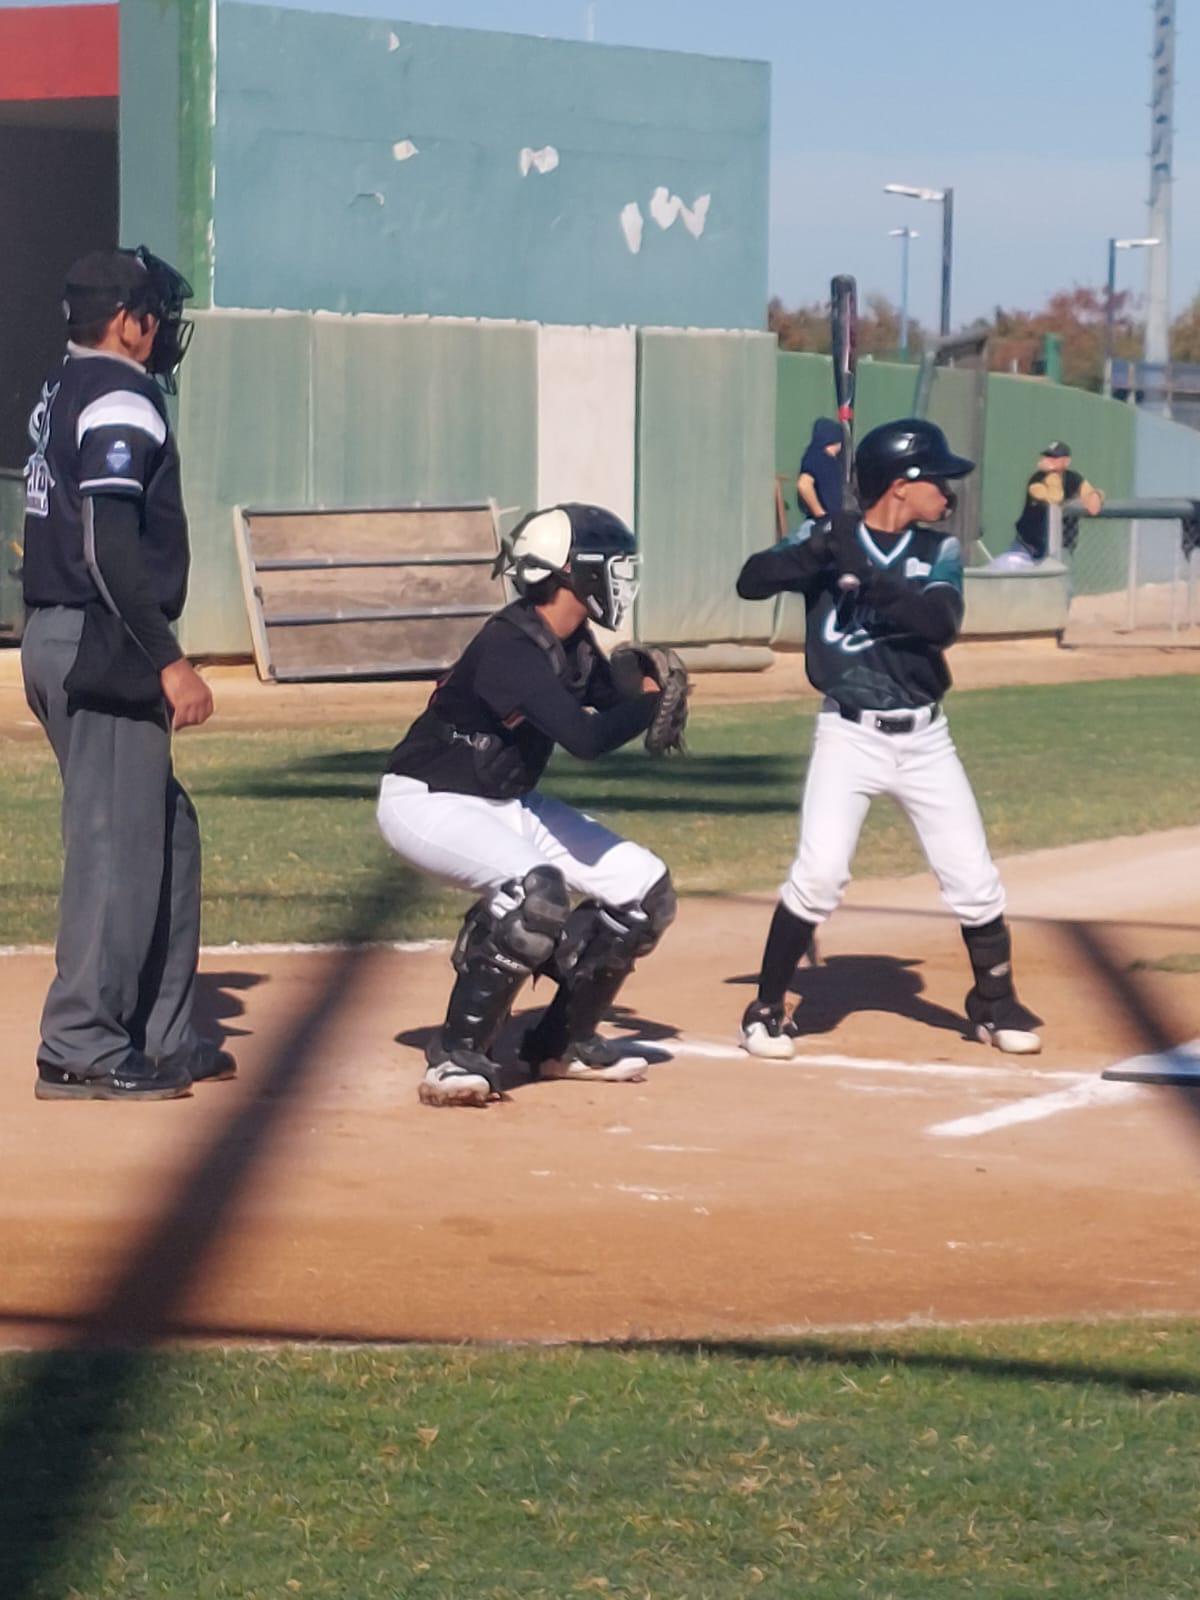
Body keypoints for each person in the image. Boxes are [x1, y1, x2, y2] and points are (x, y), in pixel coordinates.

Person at [734, 418, 1041, 1060]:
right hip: (849, 736)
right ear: (901, 485)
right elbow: (752, 580)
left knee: (973, 879)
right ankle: (766, 1008)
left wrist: (868, 579)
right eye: (938, 481)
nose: (949, 494)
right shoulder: (829, 537)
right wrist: (819, 551)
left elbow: (938, 622)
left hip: (926, 739)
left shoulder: (940, 551)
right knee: (819, 875)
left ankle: (994, 1002)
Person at [20, 246, 234, 1101]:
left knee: (163, 834)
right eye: (156, 313)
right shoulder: (118, 393)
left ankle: (159, 1035)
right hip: (101, 639)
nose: (163, 330)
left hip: (67, 633)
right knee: (115, 845)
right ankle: (80, 1045)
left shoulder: (64, 386)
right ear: (125, 321)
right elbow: (107, 544)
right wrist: (169, 660)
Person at [377, 503, 678, 1108]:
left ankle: (560, 1044)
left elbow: (605, 689)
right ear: (572, 574)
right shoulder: (510, 647)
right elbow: (588, 738)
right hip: (428, 800)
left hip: (505, 800)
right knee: (535, 896)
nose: (621, 578)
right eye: (610, 567)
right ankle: (454, 1057)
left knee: (643, 891)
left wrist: (642, 671)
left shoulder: (570, 641)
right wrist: (653, 700)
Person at [991, 442, 1105, 567]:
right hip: (1028, 548)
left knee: (1058, 583)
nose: (1049, 461)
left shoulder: (1073, 478)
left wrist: (1097, 495)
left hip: (1061, 548)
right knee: (1008, 571)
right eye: (1047, 457)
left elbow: (1092, 501)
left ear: (1066, 461)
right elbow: (1054, 498)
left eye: (1054, 458)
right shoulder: (1036, 479)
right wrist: (1053, 474)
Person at [796, 417, 844, 522]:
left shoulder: (828, 460)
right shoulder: (818, 457)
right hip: (820, 525)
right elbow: (803, 484)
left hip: (832, 523)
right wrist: (820, 515)